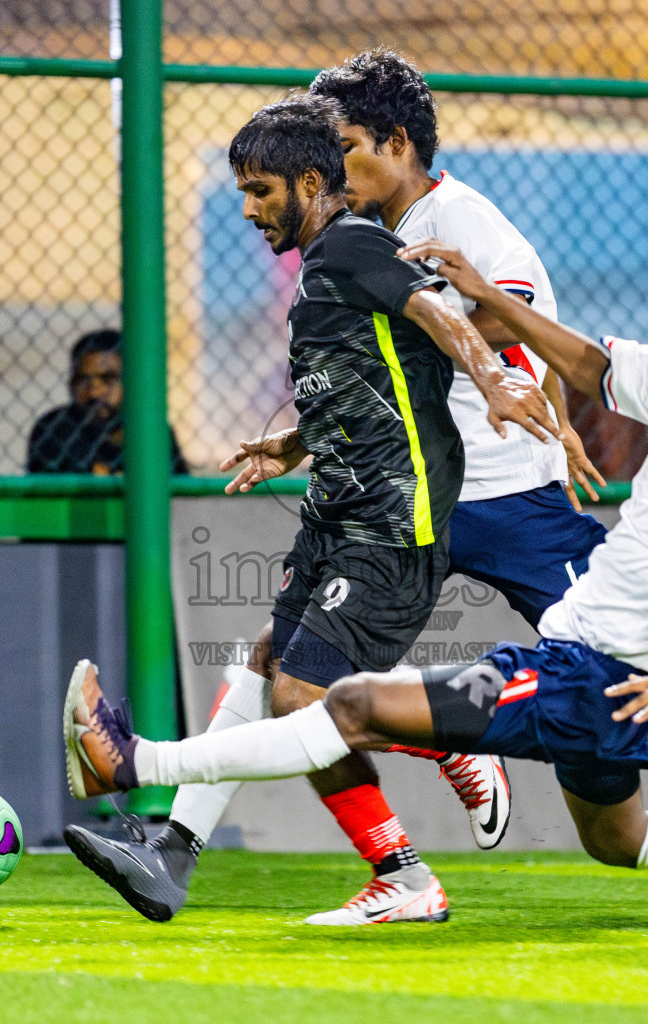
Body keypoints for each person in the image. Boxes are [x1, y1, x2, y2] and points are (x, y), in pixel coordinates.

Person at [67, 48, 648, 928]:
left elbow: (494, 320)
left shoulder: (462, 220)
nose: (332, 161)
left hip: (507, 501)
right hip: (408, 494)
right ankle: (175, 848)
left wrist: (529, 388)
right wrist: (298, 434)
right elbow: (380, 367)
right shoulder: (360, 237)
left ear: (397, 144)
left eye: (346, 143)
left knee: (610, 663)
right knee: (281, 661)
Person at [64, 256, 648, 943]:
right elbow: (592, 366)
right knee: (620, 840)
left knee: (358, 703)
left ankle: (133, 763)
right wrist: (495, 301)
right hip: (608, 685)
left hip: (584, 675)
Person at [63, 97, 558, 925]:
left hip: (392, 527)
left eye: (260, 191)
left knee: (302, 697)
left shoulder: (356, 244)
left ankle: (425, 790)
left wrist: (497, 375)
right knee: (264, 669)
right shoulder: (326, 265)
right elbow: (371, 381)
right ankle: (176, 857)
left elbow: (438, 317)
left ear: (307, 181)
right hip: (338, 516)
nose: (249, 209)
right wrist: (293, 444)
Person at [26, 328, 190, 474]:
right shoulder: (54, 429)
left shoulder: (153, 430)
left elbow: (180, 496)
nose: (95, 391)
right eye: (83, 380)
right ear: (71, 384)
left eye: (108, 379)